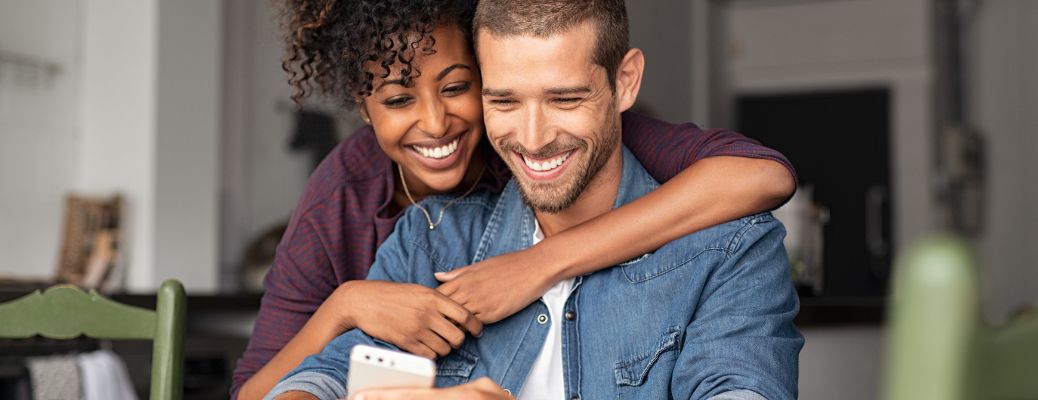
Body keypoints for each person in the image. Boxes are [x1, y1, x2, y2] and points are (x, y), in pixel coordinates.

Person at [232, 0, 798, 398]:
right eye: (505, 100)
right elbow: (308, 380)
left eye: (565, 97)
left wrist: (538, 265)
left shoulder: (725, 244)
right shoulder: (413, 230)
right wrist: (348, 303)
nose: (532, 136)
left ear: (624, 85)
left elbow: (763, 176)